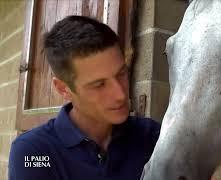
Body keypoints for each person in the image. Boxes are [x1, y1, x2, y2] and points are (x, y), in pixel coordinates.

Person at [8, 15, 160, 180]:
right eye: (99, 84)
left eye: (121, 73)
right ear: (63, 88)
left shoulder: (151, 135)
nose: (121, 95)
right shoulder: (33, 153)